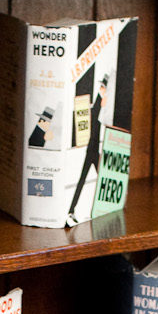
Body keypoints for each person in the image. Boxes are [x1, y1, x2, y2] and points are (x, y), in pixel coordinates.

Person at [67, 76, 108, 224]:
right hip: (92, 150)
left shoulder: (101, 105)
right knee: (85, 180)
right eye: (103, 88)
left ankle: (78, 209)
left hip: (94, 150)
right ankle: (72, 209)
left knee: (96, 180)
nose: (104, 91)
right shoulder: (98, 105)